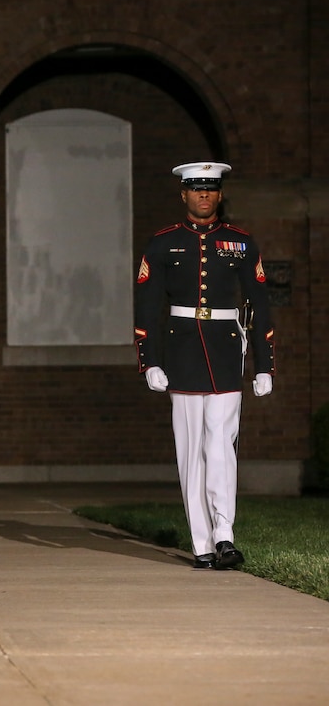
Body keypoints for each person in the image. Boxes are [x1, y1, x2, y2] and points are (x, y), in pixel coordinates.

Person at [134, 161, 275, 570]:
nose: (203, 195)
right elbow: (147, 307)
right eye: (196, 189)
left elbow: (260, 306)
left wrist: (264, 366)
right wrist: (149, 362)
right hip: (182, 352)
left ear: (220, 194)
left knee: (221, 446)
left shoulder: (241, 242)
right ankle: (202, 543)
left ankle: (225, 535)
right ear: (183, 194)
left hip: (228, 348)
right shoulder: (163, 243)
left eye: (211, 189)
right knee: (192, 449)